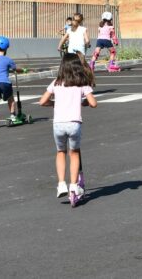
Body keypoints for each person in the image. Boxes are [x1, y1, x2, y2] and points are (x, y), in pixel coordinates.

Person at [38, 54, 97, 200]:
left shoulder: (56, 82)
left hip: (58, 124)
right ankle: (74, 185)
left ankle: (61, 184)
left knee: (60, 152)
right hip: (74, 123)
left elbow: (42, 101)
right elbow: (93, 103)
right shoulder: (82, 83)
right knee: (74, 153)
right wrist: (83, 102)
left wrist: (53, 103)